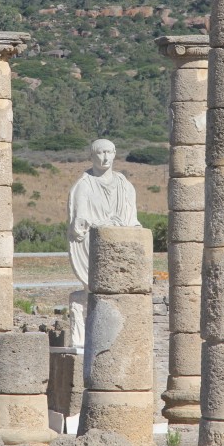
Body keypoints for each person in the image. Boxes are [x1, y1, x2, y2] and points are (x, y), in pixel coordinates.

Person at [65, 138, 140, 348]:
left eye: (109, 152)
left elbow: (133, 220)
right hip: (94, 246)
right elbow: (79, 224)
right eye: (100, 153)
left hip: (120, 248)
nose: (105, 157)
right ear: (92, 155)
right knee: (94, 290)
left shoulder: (125, 185)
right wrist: (103, 223)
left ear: (115, 153)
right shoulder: (84, 185)